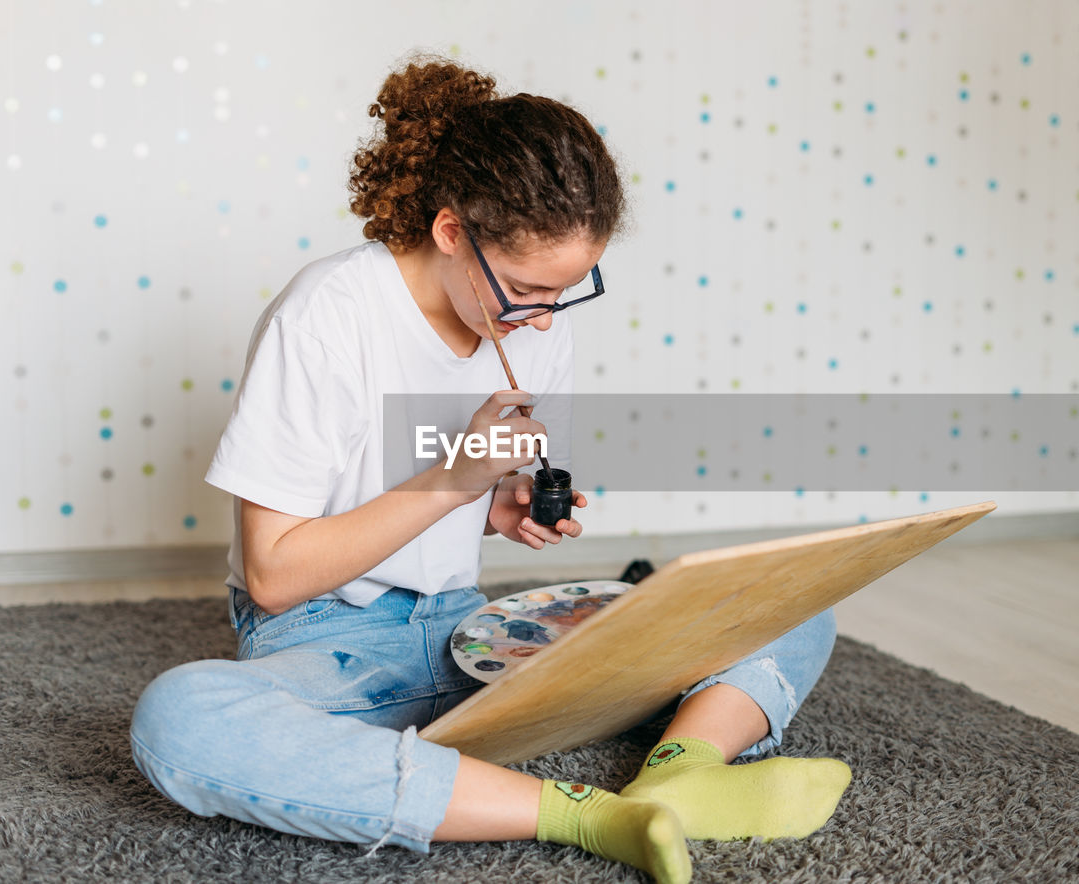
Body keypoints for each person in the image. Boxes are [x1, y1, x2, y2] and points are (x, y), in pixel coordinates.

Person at [130, 57, 850, 884]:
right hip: (335, 645)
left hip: (478, 637)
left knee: (793, 599)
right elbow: (274, 575)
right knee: (180, 718)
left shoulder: (537, 321)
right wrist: (458, 475)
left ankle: (681, 774)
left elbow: (481, 485)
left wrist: (502, 508)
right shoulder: (326, 316)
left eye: (565, 293)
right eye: (522, 291)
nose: (542, 317)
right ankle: (586, 814)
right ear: (449, 232)